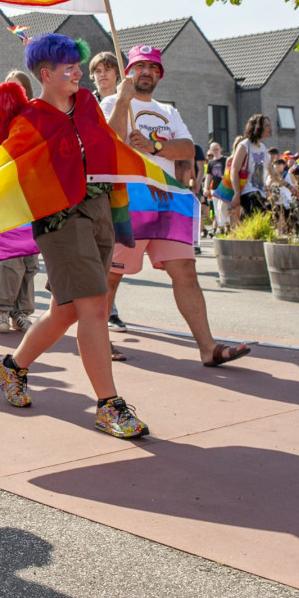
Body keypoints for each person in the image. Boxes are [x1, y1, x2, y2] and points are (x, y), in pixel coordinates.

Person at [0, 35, 149, 438]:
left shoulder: (88, 103)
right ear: (46, 74)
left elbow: (105, 142)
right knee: (95, 306)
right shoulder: (31, 119)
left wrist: (125, 99)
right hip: (61, 221)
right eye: (69, 67)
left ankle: (11, 369)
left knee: (67, 309)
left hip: (97, 211)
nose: (79, 71)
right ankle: (108, 406)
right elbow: (7, 175)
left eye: (77, 65)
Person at [101, 45, 251, 368]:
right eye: (140, 66)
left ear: (159, 75)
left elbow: (186, 147)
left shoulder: (169, 111)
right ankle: (99, 340)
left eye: (152, 68)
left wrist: (155, 145)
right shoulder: (112, 103)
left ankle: (207, 347)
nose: (146, 72)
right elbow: (106, 140)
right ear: (128, 71)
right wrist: (124, 99)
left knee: (185, 271)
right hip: (128, 198)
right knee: (113, 274)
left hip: (167, 199)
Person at [0, 69, 39, 334]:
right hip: (9, 195)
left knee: (31, 260)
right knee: (12, 258)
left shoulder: (37, 117)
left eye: (18, 89)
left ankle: (22, 311)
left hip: (34, 197)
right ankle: (3, 309)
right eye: (8, 88)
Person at [88, 51, 127, 338]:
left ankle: (106, 308)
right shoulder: (89, 103)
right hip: (95, 184)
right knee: (97, 246)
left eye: (109, 69)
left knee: (115, 247)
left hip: (123, 184)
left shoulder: (129, 103)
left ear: (118, 74)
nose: (103, 74)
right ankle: (97, 311)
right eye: (98, 70)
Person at [230, 114, 278, 218]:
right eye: (267, 125)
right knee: (259, 213)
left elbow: (272, 172)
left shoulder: (263, 148)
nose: (270, 128)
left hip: (260, 192)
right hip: (247, 192)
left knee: (266, 217)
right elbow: (234, 170)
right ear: (257, 127)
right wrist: (237, 193)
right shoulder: (244, 145)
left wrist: (289, 186)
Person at [203, 142, 229, 232]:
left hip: (224, 187)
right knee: (217, 208)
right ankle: (220, 226)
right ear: (210, 151)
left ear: (221, 149)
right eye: (213, 149)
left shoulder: (225, 160)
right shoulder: (210, 163)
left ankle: (227, 224)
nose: (216, 150)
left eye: (217, 148)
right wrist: (206, 188)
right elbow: (208, 176)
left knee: (223, 207)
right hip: (214, 188)